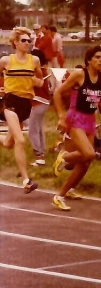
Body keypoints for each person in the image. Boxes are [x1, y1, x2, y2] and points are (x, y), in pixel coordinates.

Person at [52, 45, 101, 211]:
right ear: (88, 60)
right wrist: (61, 117)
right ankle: (64, 157)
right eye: (97, 57)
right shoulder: (79, 74)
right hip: (75, 117)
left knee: (86, 162)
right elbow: (57, 93)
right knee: (90, 153)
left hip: (89, 120)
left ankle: (62, 194)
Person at [0, 27, 44, 193]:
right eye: (24, 40)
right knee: (20, 140)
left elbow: (40, 79)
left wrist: (37, 82)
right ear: (15, 43)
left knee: (9, 143)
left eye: (29, 40)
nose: (27, 43)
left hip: (26, 104)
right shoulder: (6, 60)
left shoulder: (34, 61)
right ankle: (26, 180)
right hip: (10, 101)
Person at [29, 49, 50, 166]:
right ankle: (42, 152)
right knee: (39, 128)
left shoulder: (36, 71)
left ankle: (39, 156)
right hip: (45, 102)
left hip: (38, 101)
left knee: (32, 130)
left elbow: (34, 83)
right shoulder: (43, 70)